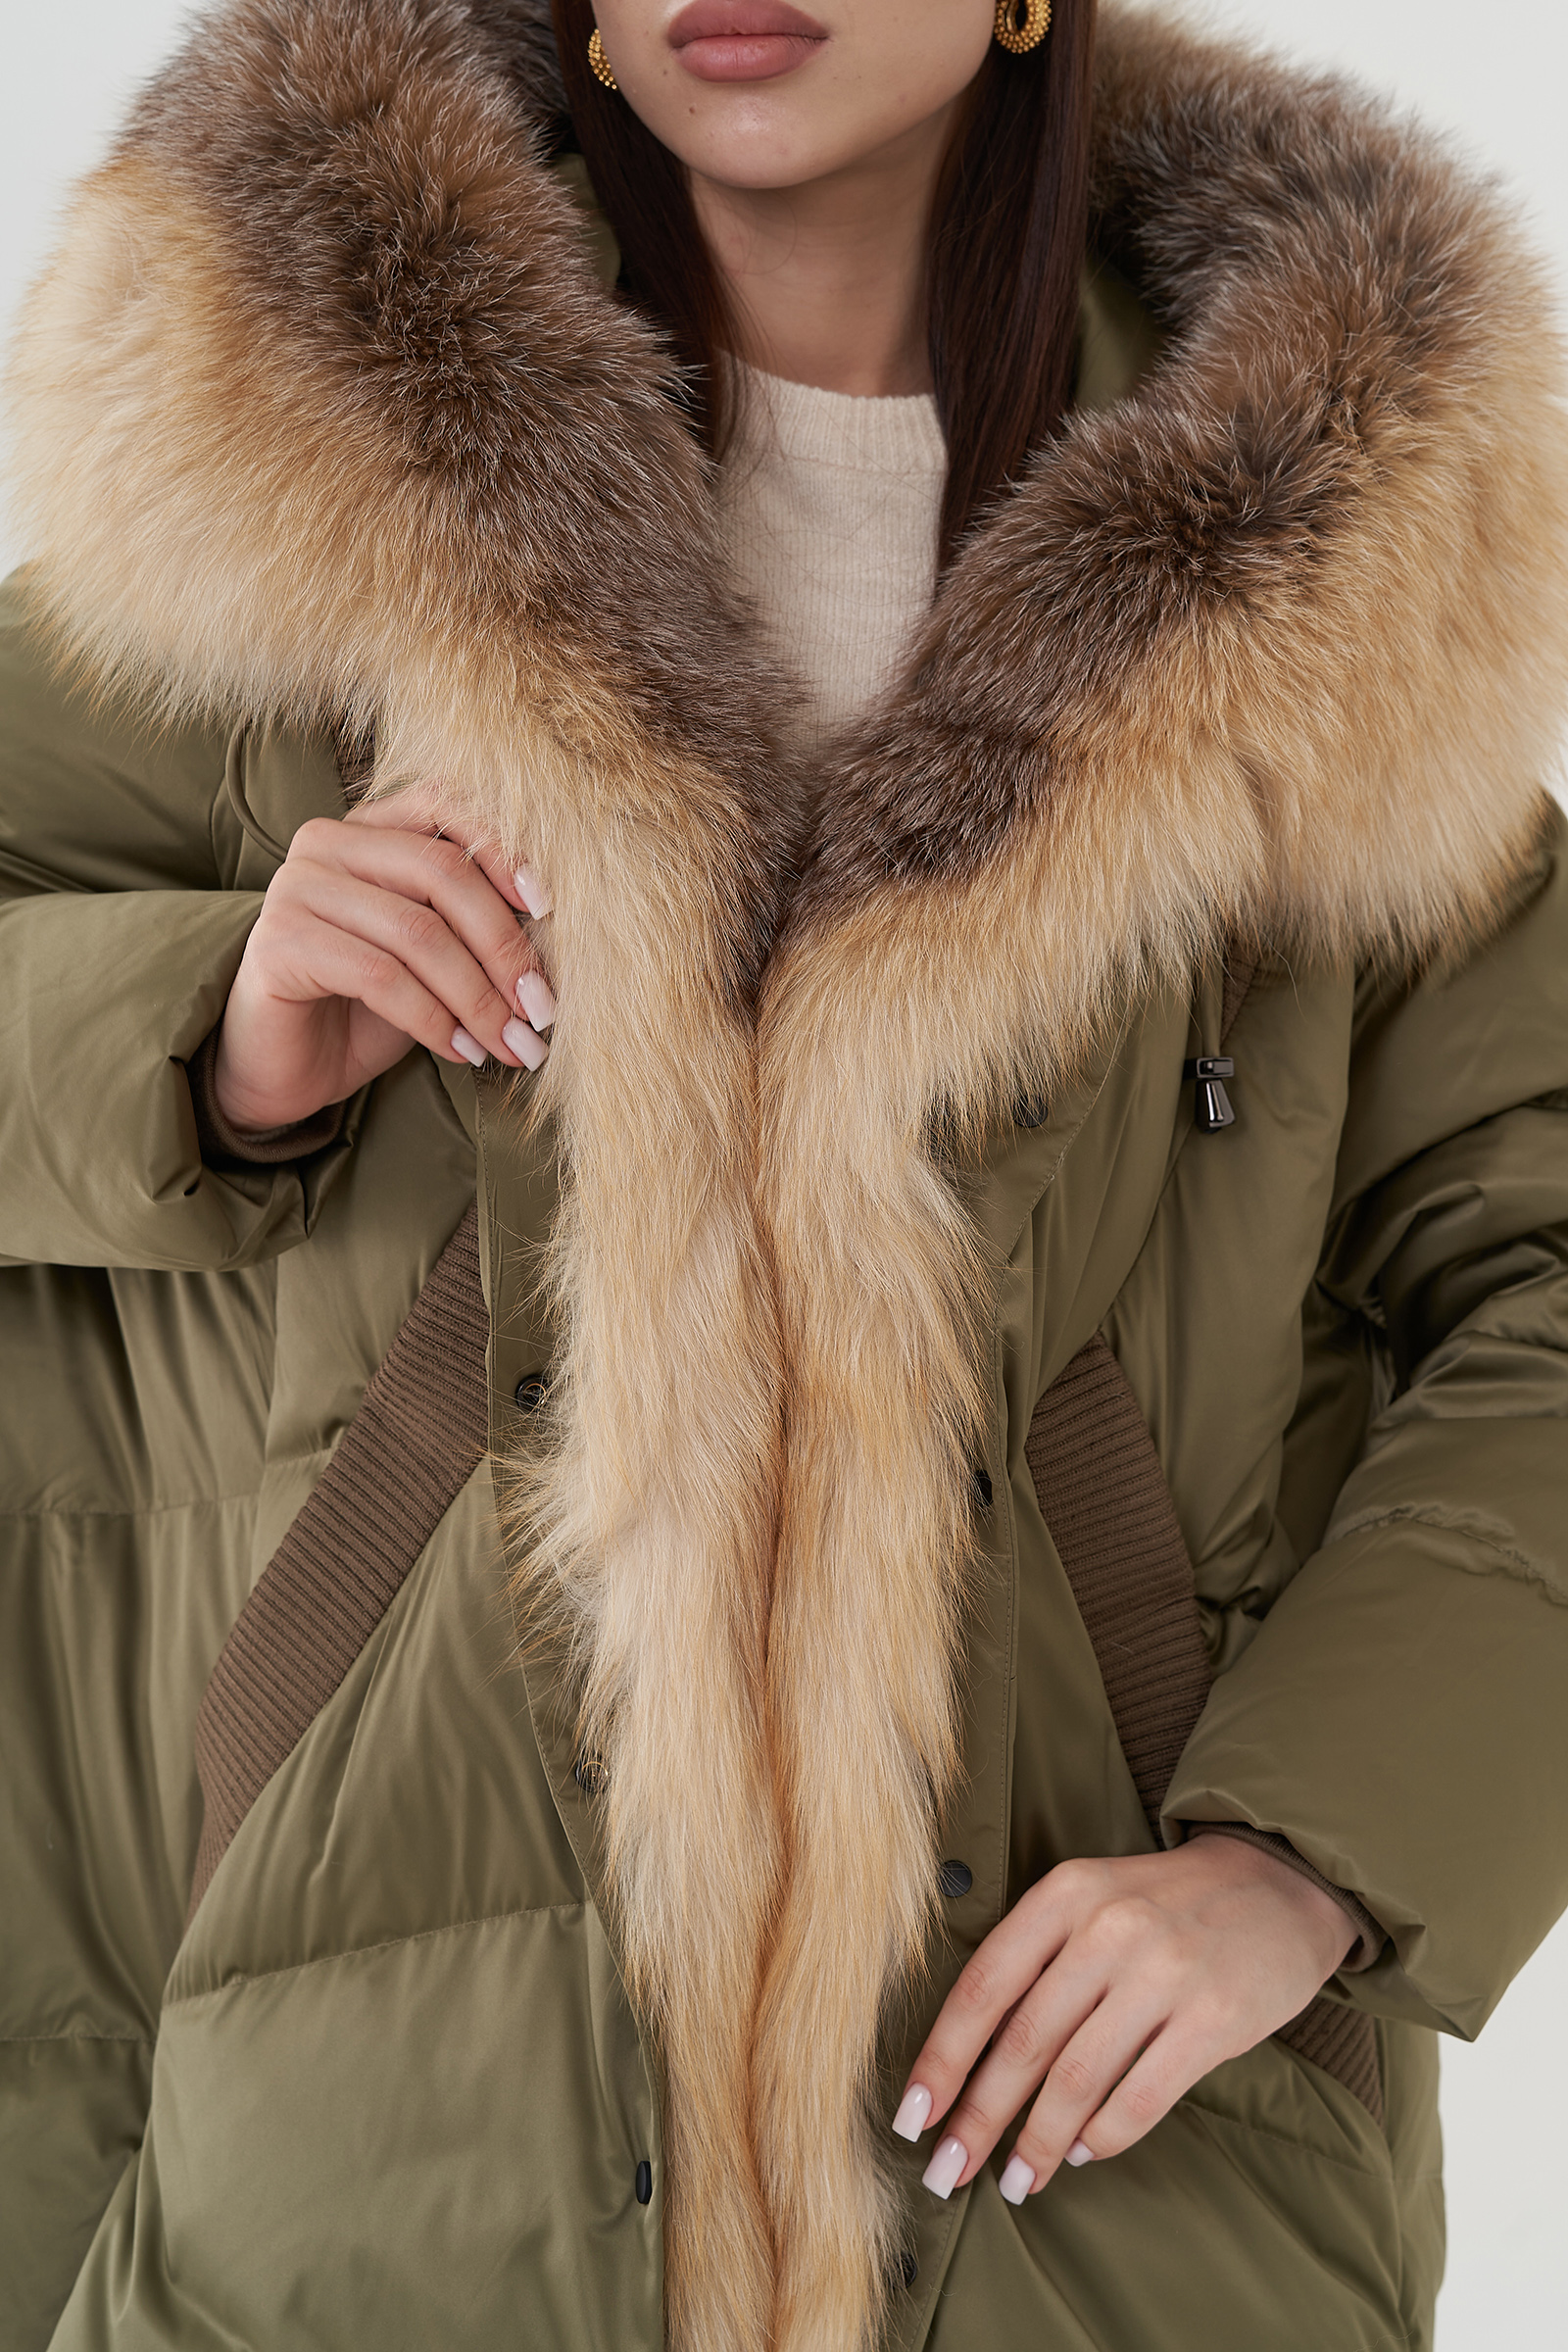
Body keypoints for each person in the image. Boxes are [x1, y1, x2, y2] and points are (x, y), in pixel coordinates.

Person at [3, 0, 1566, 2345]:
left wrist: (1306, 1859)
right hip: (365, 2176)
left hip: (1105, 2186)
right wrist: (202, 1031)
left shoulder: (1317, 594)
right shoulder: (273, 502)